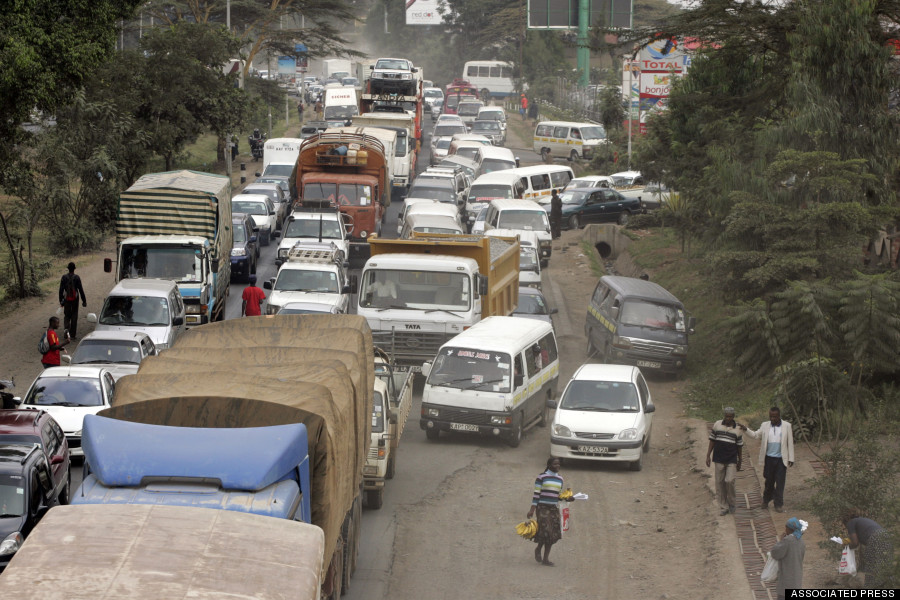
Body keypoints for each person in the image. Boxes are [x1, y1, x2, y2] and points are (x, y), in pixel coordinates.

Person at [740, 407, 794, 513]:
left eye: (775, 416)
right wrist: (746, 429)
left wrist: (791, 458)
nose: (772, 419)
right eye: (771, 416)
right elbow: (755, 435)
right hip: (769, 458)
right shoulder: (765, 425)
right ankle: (766, 499)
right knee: (769, 481)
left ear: (779, 416)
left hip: (781, 459)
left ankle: (778, 504)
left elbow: (790, 442)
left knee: (780, 482)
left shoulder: (787, 426)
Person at [842, 509, 895, 589]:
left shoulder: (851, 523)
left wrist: (847, 547)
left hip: (875, 538)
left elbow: (855, 543)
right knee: (886, 562)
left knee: (871, 563)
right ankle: (888, 584)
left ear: (846, 522)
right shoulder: (862, 520)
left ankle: (871, 587)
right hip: (887, 536)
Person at [706, 407, 744, 516]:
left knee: (729, 481)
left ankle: (732, 503)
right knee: (720, 483)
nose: (728, 419)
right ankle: (723, 506)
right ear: (724, 416)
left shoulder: (738, 429)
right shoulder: (717, 424)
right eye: (726, 416)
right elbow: (712, 440)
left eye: (730, 417)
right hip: (718, 458)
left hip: (731, 459)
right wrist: (708, 455)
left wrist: (740, 460)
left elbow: (739, 446)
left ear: (733, 417)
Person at [527, 457, 564, 566]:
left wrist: (568, 498)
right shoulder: (542, 477)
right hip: (542, 507)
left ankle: (545, 559)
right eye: (555, 464)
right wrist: (532, 510)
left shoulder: (560, 479)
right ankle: (538, 548)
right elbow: (536, 494)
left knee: (552, 534)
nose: (557, 466)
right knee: (546, 531)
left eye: (558, 464)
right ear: (549, 465)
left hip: (553, 508)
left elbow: (559, 495)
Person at [770, 517, 806, 600]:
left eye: (786, 527)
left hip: (787, 580)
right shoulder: (801, 541)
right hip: (797, 579)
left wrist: (781, 540)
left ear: (789, 529)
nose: (785, 529)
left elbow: (775, 553)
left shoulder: (787, 540)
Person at [58, 262, 86, 339]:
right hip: (75, 299)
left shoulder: (64, 277)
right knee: (74, 315)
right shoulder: (77, 277)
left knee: (67, 316)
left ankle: (66, 333)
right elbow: (81, 290)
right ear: (74, 269)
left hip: (66, 299)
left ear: (68, 268)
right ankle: (72, 335)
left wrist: (61, 301)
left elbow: (61, 290)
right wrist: (84, 300)